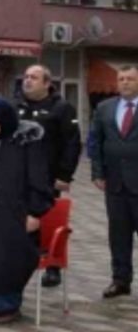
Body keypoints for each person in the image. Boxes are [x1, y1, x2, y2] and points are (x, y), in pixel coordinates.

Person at [0, 98, 54, 323]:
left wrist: (35, 212)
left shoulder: (26, 142)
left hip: (14, 211)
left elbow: (39, 178)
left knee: (8, 258)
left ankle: (8, 305)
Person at [16, 64, 80, 289]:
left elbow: (72, 143)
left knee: (50, 218)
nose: (27, 80)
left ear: (47, 83)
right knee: (21, 218)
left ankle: (53, 266)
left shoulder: (61, 108)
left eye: (34, 77)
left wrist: (65, 175)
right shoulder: (17, 106)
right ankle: (21, 259)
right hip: (19, 175)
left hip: (48, 176)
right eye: (26, 76)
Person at [89, 64, 138, 299]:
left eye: (130, 79)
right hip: (115, 183)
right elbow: (95, 141)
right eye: (121, 79)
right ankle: (120, 280)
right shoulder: (104, 108)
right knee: (118, 234)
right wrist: (97, 172)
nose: (125, 83)